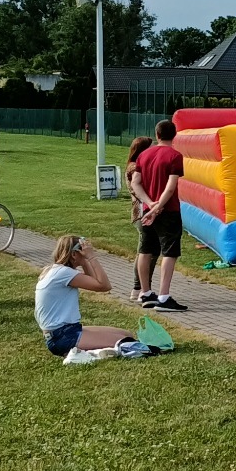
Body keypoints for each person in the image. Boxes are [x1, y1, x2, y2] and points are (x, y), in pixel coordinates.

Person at [35, 235, 134, 358]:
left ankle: (82, 351)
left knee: (127, 335)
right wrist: (91, 257)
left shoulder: (54, 270)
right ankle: (82, 354)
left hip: (63, 332)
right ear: (74, 254)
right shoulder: (64, 273)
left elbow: (94, 281)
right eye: (81, 250)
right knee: (126, 342)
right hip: (63, 336)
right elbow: (104, 286)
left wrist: (83, 261)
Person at [135, 120, 187, 312]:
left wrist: (149, 204)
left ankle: (145, 292)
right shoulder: (175, 156)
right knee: (169, 252)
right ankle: (164, 296)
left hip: (147, 210)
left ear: (156, 134)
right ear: (174, 136)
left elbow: (136, 183)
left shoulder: (144, 155)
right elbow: (170, 186)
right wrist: (158, 207)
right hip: (168, 211)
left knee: (145, 249)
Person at [123, 135, 154, 298]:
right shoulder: (135, 168)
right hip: (143, 211)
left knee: (148, 250)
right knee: (145, 251)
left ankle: (142, 286)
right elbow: (141, 190)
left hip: (141, 211)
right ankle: (139, 288)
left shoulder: (133, 165)